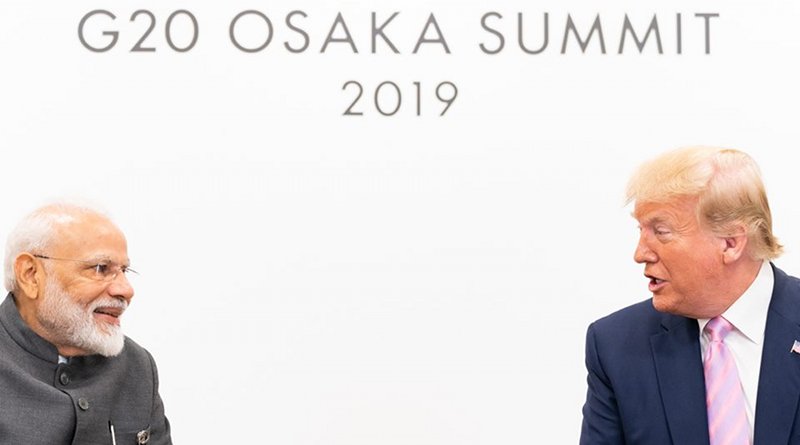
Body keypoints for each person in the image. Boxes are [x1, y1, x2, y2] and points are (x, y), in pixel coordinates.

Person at [580, 147, 800, 445]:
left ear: (730, 243)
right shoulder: (616, 346)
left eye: (661, 231)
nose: (640, 253)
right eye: (641, 230)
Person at [0, 203, 171, 445]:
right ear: (30, 275)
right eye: (101, 268)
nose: (126, 290)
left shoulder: (137, 366)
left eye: (124, 270)